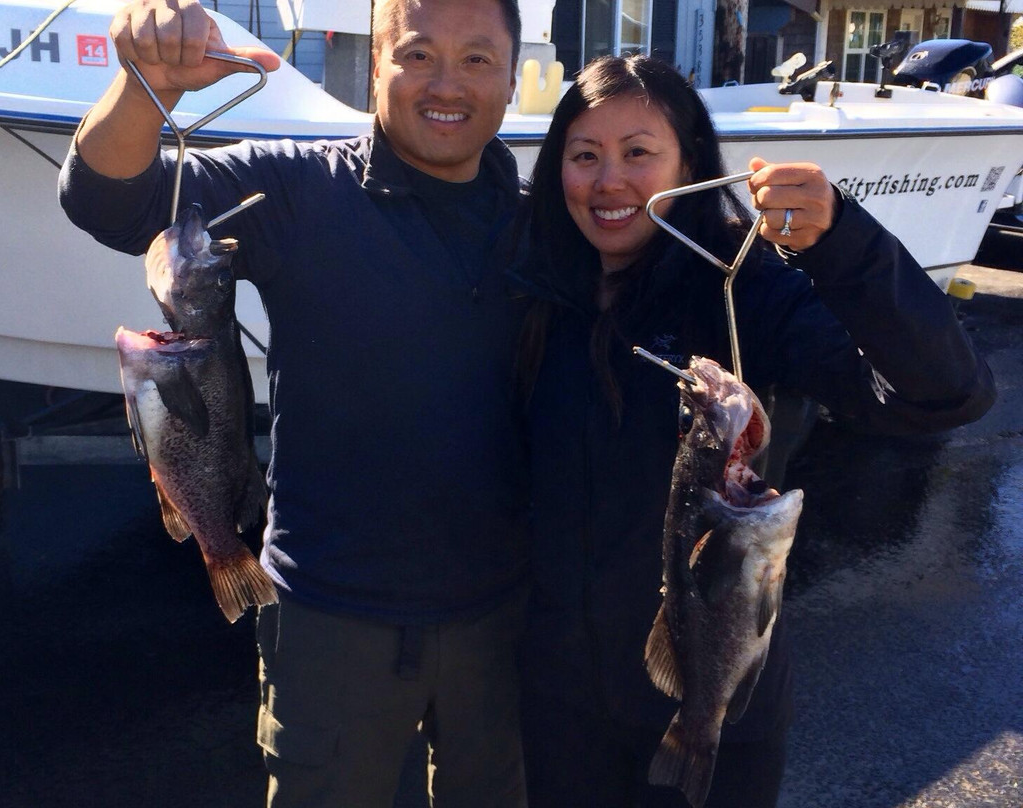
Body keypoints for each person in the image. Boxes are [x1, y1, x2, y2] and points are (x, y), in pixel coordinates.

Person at [58, 0, 533, 805]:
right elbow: (109, 203)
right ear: (374, 66)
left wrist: (824, 232)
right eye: (416, 55)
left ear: (514, 78)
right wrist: (144, 89)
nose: (446, 83)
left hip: (503, 621)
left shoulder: (541, 224)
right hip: (327, 617)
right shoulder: (296, 187)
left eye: (478, 59)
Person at [512, 55, 995, 808]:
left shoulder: (741, 284)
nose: (608, 181)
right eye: (584, 156)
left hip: (717, 697)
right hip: (557, 708)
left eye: (639, 153)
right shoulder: (535, 284)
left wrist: (845, 244)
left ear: (692, 164)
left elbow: (942, 394)